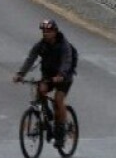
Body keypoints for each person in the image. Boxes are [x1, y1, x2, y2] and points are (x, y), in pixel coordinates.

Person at [13, 19, 75, 147]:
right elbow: (30, 59)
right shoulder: (41, 45)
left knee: (58, 100)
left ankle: (60, 131)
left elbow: (67, 61)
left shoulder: (64, 45)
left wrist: (61, 75)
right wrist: (20, 74)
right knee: (40, 90)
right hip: (48, 75)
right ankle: (47, 119)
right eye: (44, 31)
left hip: (64, 77)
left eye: (49, 31)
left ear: (55, 32)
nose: (46, 34)